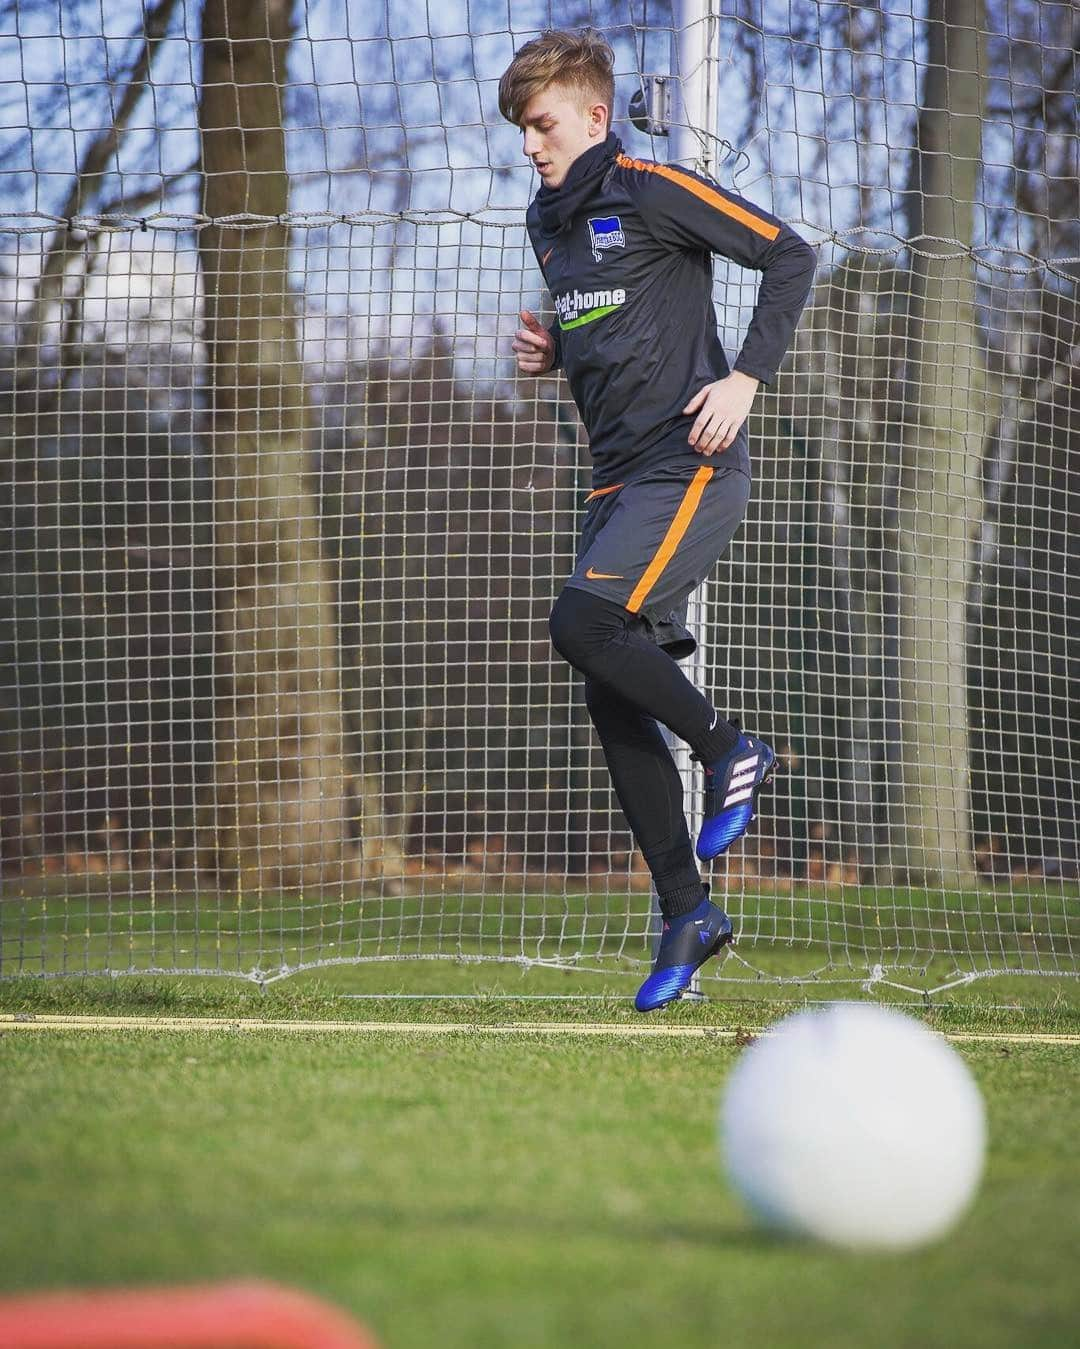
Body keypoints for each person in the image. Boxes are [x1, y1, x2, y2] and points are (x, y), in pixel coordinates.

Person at [499, 29, 816, 1011]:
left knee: (581, 625)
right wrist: (555, 348)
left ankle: (732, 747)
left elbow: (790, 254)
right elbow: (614, 316)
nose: (528, 143)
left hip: (691, 465)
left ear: (595, 116)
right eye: (519, 127)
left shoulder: (651, 187)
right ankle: (688, 907)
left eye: (541, 123)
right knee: (607, 679)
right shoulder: (543, 223)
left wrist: (748, 378)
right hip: (613, 485)